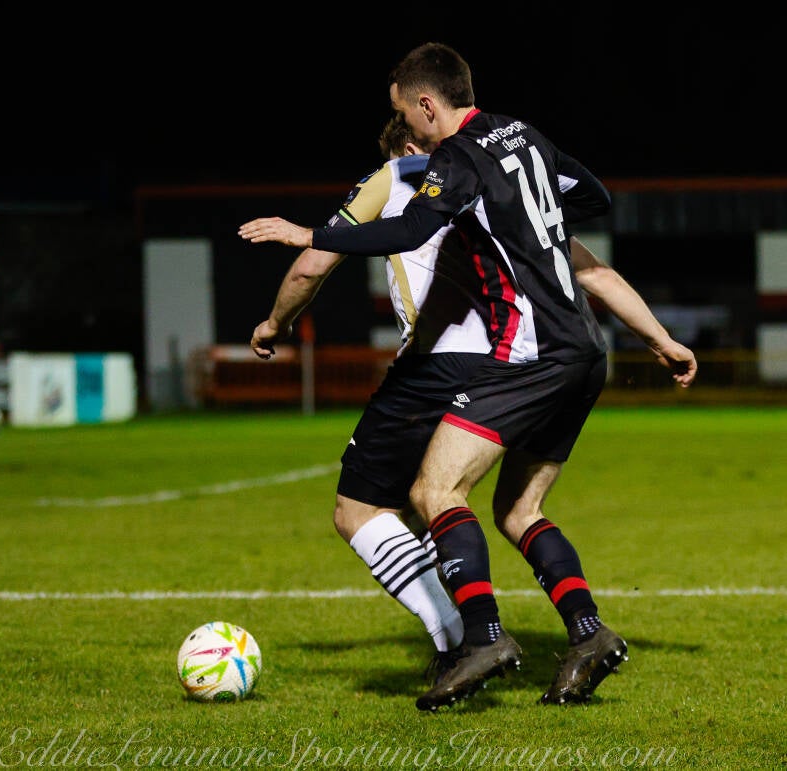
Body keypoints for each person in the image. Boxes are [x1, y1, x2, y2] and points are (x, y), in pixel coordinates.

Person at [239, 42, 698, 712]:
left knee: (434, 490)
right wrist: (658, 338)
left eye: (404, 112)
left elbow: (410, 228)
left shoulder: (454, 160)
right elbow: (592, 198)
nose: (405, 127)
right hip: (584, 354)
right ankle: (589, 632)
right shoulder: (523, 137)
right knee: (517, 511)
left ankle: (480, 637)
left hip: (527, 358)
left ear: (427, 105)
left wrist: (308, 234)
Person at [247, 113, 493, 678]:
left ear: (407, 144)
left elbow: (311, 268)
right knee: (426, 502)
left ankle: (462, 641)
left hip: (435, 362)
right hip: (508, 363)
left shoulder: (397, 174)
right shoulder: (488, 175)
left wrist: (274, 324)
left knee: (356, 512)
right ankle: (493, 628)